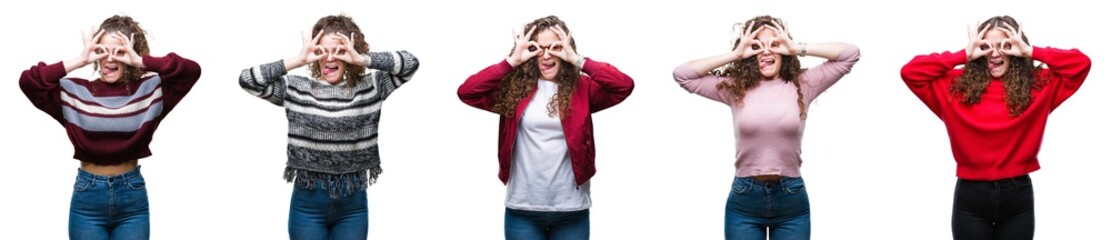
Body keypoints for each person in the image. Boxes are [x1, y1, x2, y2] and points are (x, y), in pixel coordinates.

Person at [900, 15, 1090, 240]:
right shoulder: (954, 86)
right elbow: (910, 72)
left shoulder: (1038, 85)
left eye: (1005, 46)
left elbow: (1080, 64)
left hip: (1017, 196)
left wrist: (1032, 51)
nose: (996, 53)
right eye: (986, 46)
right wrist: (962, 55)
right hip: (971, 198)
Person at [672, 15, 860, 240]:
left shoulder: (804, 84)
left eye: (775, 44)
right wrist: (735, 55)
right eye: (757, 46)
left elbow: (851, 54)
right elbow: (682, 75)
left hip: (791, 201)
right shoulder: (735, 88)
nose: (767, 51)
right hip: (745, 202)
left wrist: (796, 47)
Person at [18, 15, 202, 239]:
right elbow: (29, 82)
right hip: (87, 200)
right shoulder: (73, 92)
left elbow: (191, 71)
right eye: (103, 50)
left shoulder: (151, 91)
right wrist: (79, 60)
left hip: (132, 199)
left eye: (119, 51)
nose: (110, 58)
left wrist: (143, 61)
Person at [238, 15, 419, 240]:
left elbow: (411, 64)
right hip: (307, 207)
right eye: (322, 50)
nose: (330, 57)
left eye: (339, 50)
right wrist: (298, 60)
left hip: (353, 207)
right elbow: (247, 79)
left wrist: (363, 59)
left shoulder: (373, 86)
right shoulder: (295, 88)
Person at [456, 15, 634, 240]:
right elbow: (467, 92)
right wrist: (511, 62)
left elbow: (624, 85)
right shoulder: (513, 90)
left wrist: (579, 60)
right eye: (538, 49)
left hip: (572, 210)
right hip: (522, 209)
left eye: (555, 47)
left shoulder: (583, 89)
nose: (547, 55)